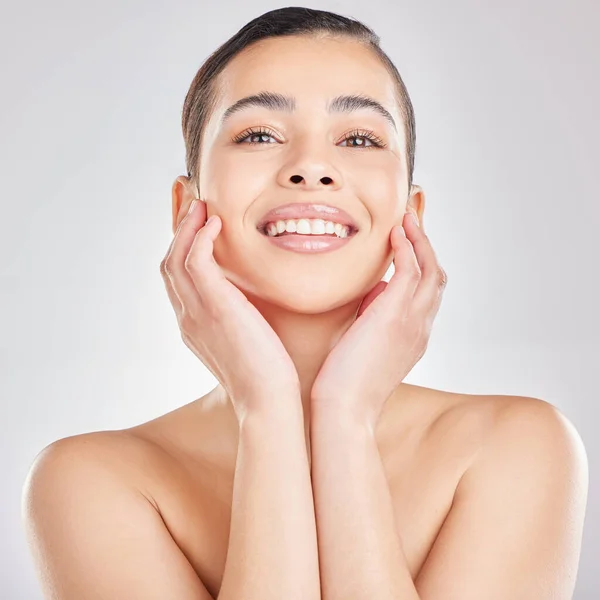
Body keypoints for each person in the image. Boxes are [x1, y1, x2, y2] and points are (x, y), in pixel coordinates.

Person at [22, 7, 588, 600]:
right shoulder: (89, 481)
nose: (312, 168)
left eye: (360, 138)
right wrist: (267, 412)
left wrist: (344, 416)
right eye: (259, 135)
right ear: (185, 208)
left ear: (410, 214)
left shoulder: (517, 448)